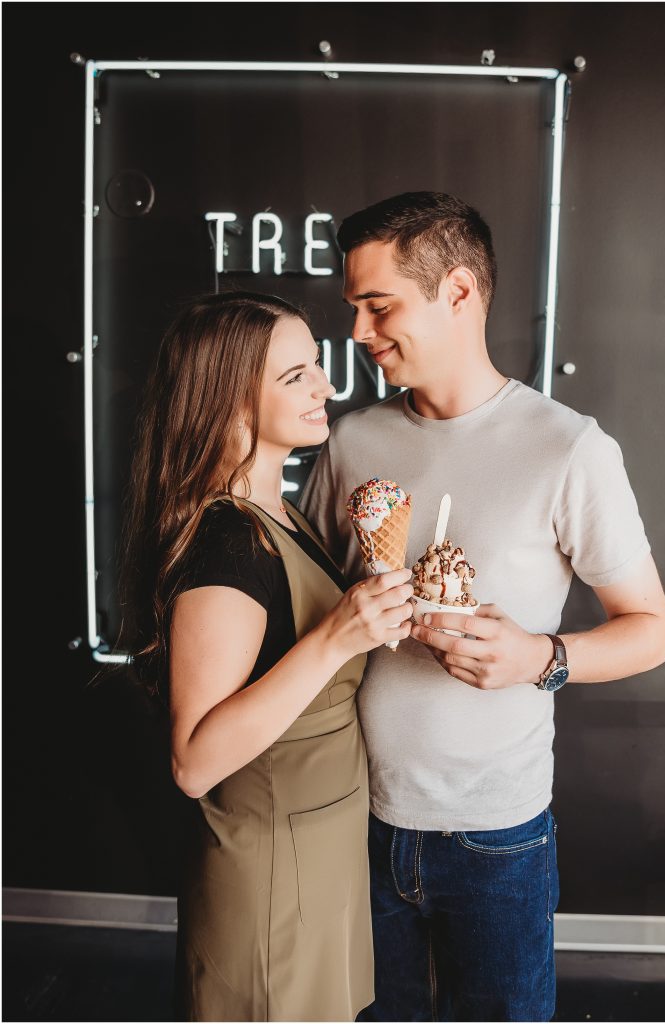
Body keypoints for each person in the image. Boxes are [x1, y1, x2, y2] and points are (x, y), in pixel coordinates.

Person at [300, 192, 665, 1022]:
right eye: (354, 307)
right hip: (353, 817)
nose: (358, 331)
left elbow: (653, 632)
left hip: (496, 839)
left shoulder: (570, 448)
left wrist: (541, 657)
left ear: (459, 292)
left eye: (379, 306)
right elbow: (311, 609)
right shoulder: (353, 441)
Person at [120, 291, 414, 1022]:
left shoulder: (281, 513)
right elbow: (194, 762)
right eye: (296, 376)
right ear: (228, 400)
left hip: (320, 859)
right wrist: (337, 637)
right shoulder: (225, 543)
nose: (327, 386)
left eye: (316, 366)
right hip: (272, 882)